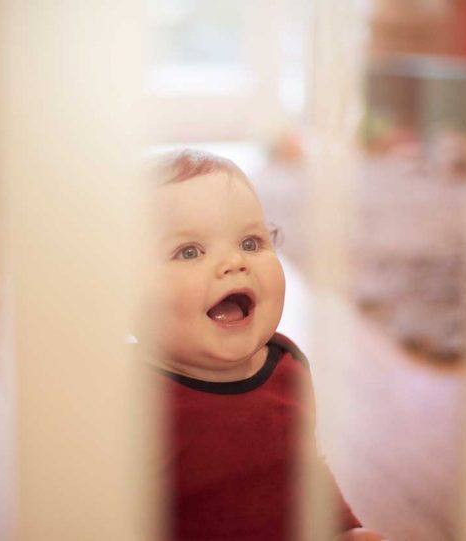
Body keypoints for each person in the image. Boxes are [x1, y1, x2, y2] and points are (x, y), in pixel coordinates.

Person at [146, 149, 386, 541]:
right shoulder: (136, 401)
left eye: (251, 242)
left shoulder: (286, 366)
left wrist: (343, 527)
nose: (234, 262)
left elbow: (304, 466)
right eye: (189, 251)